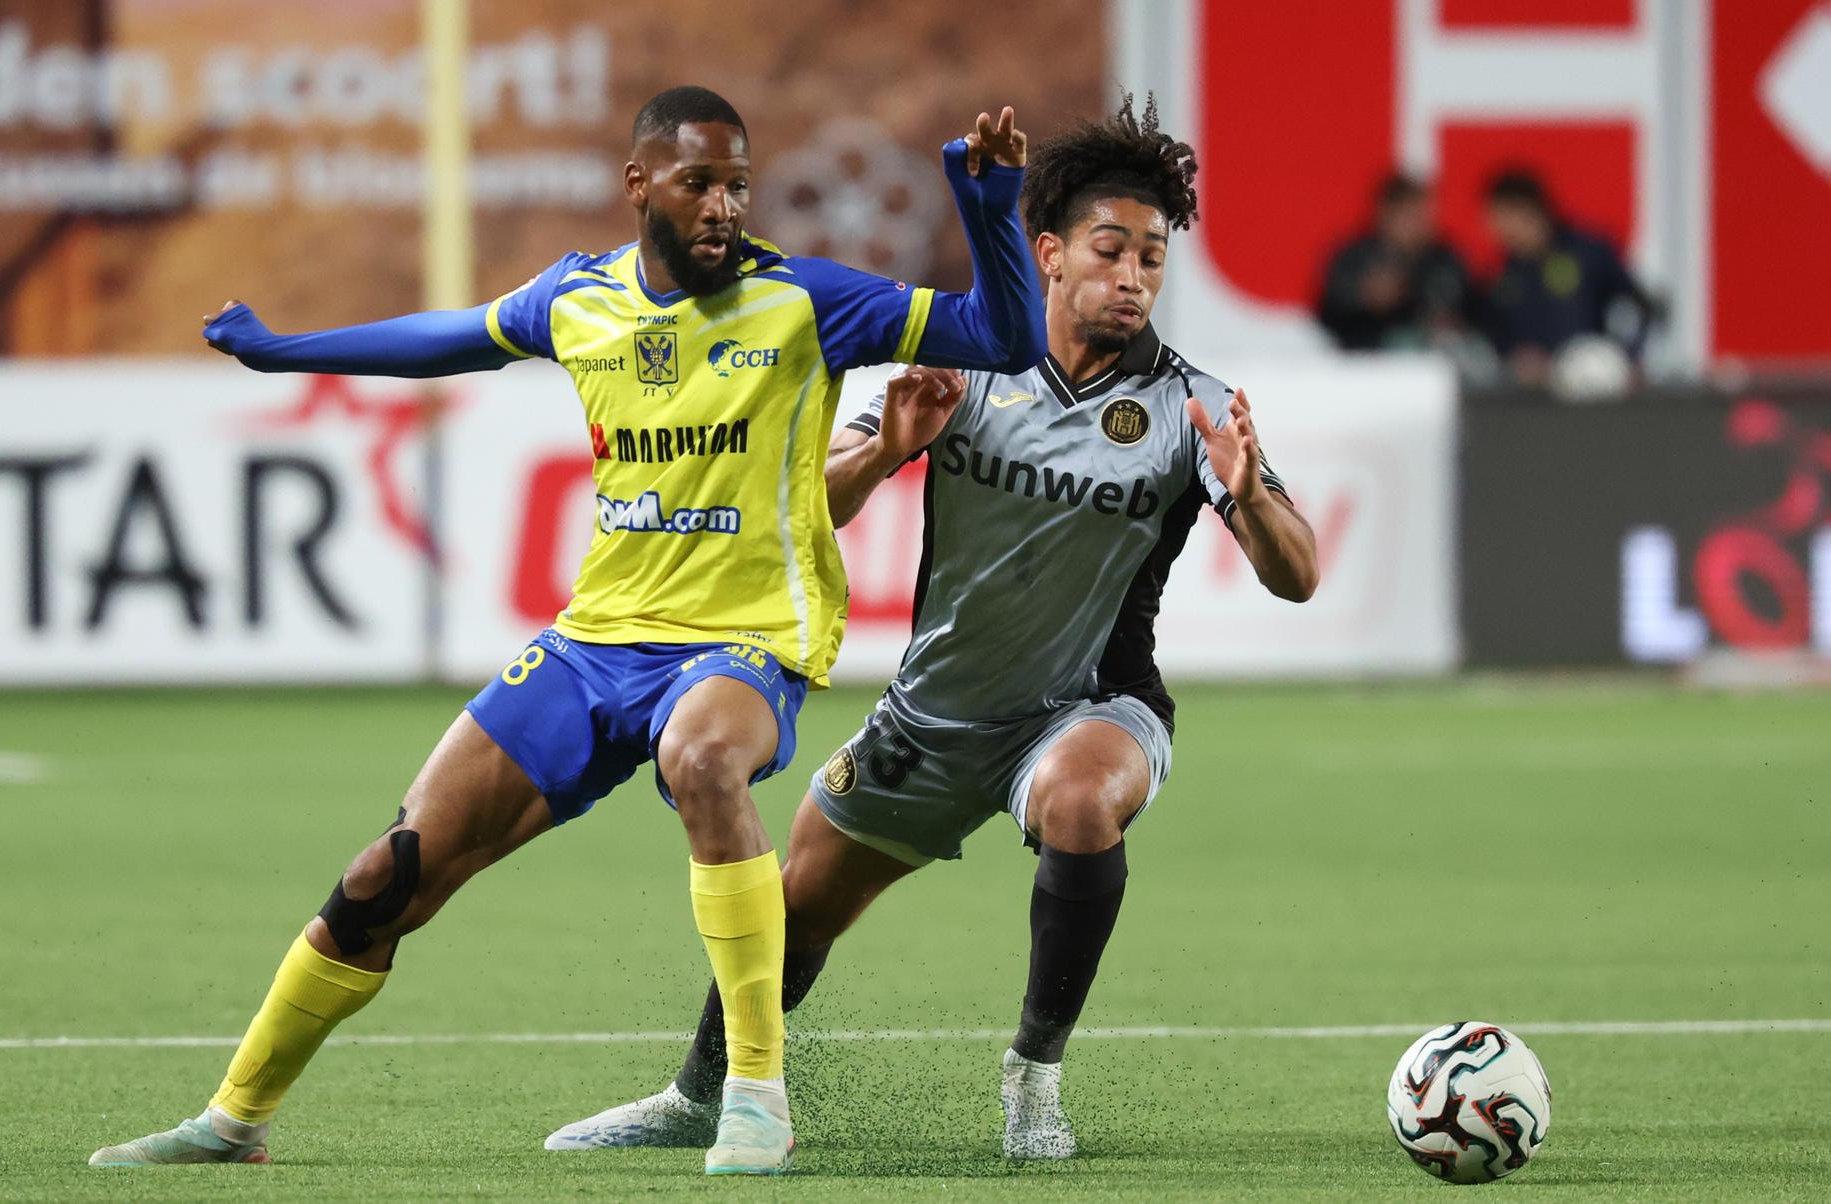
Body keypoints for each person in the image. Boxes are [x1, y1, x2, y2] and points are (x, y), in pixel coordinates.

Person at [86, 85, 1046, 1178]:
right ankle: (232, 1119)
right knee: (388, 874)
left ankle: (754, 1095)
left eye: (739, 182)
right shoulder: (577, 299)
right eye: (700, 183)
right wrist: (288, 350)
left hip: (745, 638)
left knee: (703, 758)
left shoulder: (809, 300)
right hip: (596, 641)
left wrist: (991, 202)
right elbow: (444, 340)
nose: (726, 204)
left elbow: (1003, 337)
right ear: (640, 185)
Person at [547, 93, 1319, 1161]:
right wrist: (886, 446)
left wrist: (1253, 494)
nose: (1134, 275)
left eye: (1153, 255)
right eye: (1111, 249)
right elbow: (810, 504)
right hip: (933, 714)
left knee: (1081, 802)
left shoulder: (1193, 409)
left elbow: (1299, 577)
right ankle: (694, 1094)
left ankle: (1034, 1077)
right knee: (789, 909)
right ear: (1046, 253)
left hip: (1090, 704)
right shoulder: (964, 362)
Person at [1480, 169, 1651, 388]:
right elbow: (1491, 334)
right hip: (1530, 398)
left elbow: (1637, 305)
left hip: (1593, 385)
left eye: (1503, 217)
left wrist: (1628, 358)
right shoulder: (1498, 274)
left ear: (1530, 211)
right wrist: (1513, 360)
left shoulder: (1587, 252)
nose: (1498, 229)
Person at [1317, 172, 1475, 352]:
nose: (1418, 224)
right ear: (1385, 213)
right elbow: (1328, 309)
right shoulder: (1354, 257)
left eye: (1423, 215)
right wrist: (1365, 298)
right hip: (1363, 357)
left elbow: (1467, 306)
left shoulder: (1444, 258)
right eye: (1409, 215)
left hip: (1429, 355)